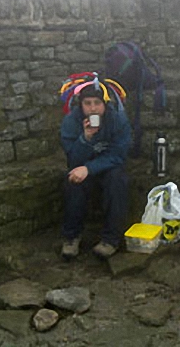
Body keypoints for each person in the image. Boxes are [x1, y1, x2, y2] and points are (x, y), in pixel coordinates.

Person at [59, 73, 131, 259]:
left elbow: (118, 154)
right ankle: (71, 236)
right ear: (80, 105)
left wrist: (90, 168)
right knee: (72, 182)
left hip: (108, 168)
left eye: (97, 103)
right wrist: (85, 138)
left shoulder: (117, 120)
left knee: (117, 181)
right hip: (82, 168)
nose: (92, 108)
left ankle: (110, 239)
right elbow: (73, 160)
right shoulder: (71, 122)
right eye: (87, 103)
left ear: (105, 104)